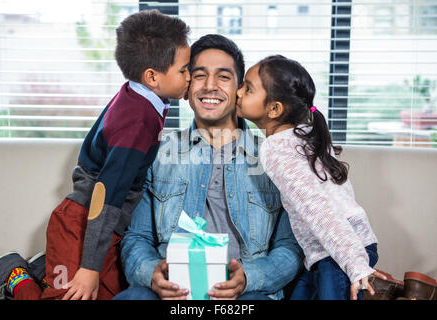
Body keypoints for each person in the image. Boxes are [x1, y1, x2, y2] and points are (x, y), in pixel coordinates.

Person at [0, 9, 191, 300]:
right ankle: (14, 275)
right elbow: (106, 195)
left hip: (105, 230)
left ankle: (45, 270)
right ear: (152, 76)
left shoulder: (145, 95)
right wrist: (89, 267)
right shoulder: (137, 120)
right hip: (84, 221)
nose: (189, 77)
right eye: (184, 70)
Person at [113, 34, 304, 301]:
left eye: (224, 77)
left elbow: (290, 247)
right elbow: (137, 238)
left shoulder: (276, 158)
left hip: (247, 295)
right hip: (172, 293)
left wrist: (248, 278)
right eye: (200, 75)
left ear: (241, 90)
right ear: (187, 87)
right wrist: (150, 274)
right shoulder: (157, 153)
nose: (210, 86)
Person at [235, 54, 388, 300]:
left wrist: (355, 264)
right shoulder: (305, 136)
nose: (238, 92)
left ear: (274, 109)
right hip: (334, 249)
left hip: (338, 251)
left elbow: (318, 209)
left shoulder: (276, 148)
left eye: (248, 89)